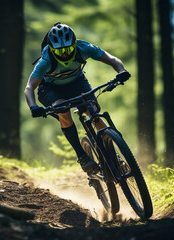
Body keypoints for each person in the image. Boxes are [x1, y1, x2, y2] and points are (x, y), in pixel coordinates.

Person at [24, 22, 130, 173]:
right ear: (52, 49)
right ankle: (82, 156)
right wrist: (33, 106)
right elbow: (29, 87)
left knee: (92, 111)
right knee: (62, 109)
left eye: (68, 50)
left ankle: (114, 155)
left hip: (77, 83)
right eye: (60, 52)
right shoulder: (45, 61)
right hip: (50, 89)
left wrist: (121, 71)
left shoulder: (84, 48)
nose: (65, 54)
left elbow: (111, 58)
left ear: (75, 45)